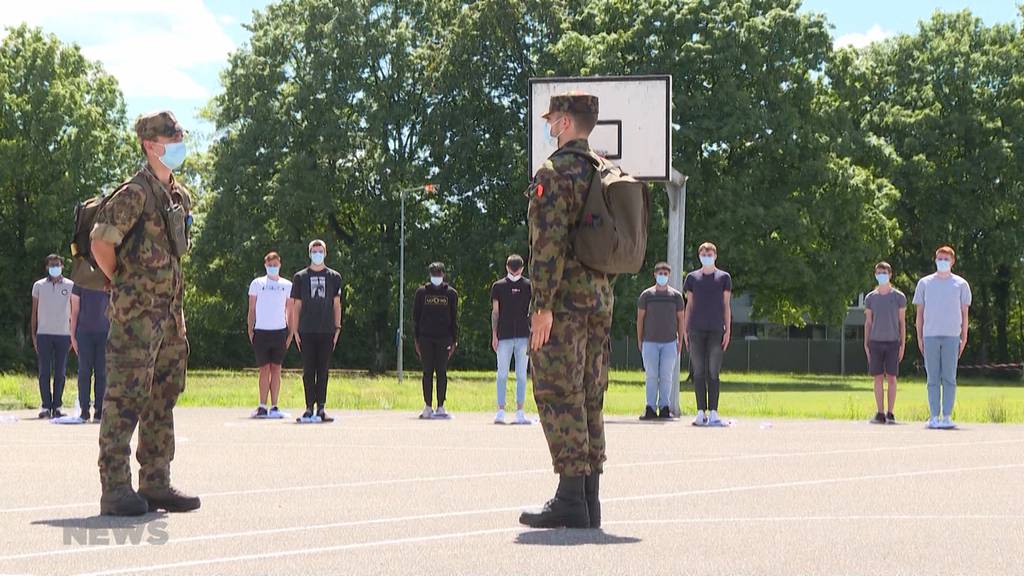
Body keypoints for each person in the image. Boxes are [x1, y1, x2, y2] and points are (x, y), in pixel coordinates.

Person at [90, 110, 198, 515]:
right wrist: (123, 281)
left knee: (162, 397)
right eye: (172, 140)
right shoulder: (134, 193)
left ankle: (156, 481)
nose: (179, 146)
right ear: (152, 145)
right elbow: (102, 242)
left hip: (170, 318)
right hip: (136, 318)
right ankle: (115, 488)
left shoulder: (178, 195)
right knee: (125, 397)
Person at [519, 92, 610, 530]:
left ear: (566, 123)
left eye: (553, 118)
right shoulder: (602, 170)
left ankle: (571, 497)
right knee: (590, 394)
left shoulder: (555, 173)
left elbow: (547, 244)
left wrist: (542, 306)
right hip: (599, 300)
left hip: (564, 303)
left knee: (558, 392)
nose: (549, 125)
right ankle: (590, 499)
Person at [913, 246, 971, 429]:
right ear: (935, 259)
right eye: (940, 258)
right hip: (930, 335)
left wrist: (964, 337)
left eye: (946, 259)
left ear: (953, 261)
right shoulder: (924, 283)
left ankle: (946, 416)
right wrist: (919, 336)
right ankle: (933, 416)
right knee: (932, 378)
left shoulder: (961, 284)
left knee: (949, 378)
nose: (942, 261)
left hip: (952, 336)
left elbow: (965, 313)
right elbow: (919, 313)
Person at [290, 240, 343, 423]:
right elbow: (296, 305)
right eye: (314, 251)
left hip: (327, 330)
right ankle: (308, 408)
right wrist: (294, 330)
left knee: (323, 370)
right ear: (310, 253)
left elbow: (337, 304)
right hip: (306, 330)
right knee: (308, 370)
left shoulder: (334, 277)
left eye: (320, 251)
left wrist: (337, 328)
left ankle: (321, 408)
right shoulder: (300, 277)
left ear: (325, 253)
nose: (317, 253)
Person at [684, 242, 732, 426]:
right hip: (696, 329)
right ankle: (700, 412)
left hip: (716, 329)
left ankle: (713, 412)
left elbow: (726, 306)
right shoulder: (692, 278)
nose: (706, 255)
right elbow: (689, 306)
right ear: (699, 256)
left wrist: (728, 330)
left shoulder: (724, 278)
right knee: (698, 372)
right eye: (703, 252)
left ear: (715, 255)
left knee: (713, 371)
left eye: (710, 252)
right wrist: (685, 330)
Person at [637, 262, 685, 420]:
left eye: (665, 273)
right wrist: (640, 339)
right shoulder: (646, 295)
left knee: (666, 376)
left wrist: (680, 340)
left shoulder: (676, 296)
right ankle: (650, 407)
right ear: (654, 274)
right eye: (660, 273)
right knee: (651, 375)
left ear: (669, 275)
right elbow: (640, 319)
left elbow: (681, 319)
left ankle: (665, 407)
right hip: (649, 342)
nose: (662, 275)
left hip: (670, 342)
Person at [248, 252, 293, 418]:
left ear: (280, 264)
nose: (273, 267)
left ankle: (274, 406)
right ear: (265, 265)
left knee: (276, 369)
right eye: (269, 265)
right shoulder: (257, 283)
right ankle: (262, 405)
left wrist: (291, 332)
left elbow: (290, 310)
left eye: (275, 264)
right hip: (261, 331)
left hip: (279, 331)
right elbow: (252, 308)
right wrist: (250, 328)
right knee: (264, 369)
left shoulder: (287, 285)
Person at [413, 262, 458, 419]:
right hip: (425, 338)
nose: (436, 277)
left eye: (439, 274)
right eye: (434, 274)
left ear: (443, 275)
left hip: (444, 338)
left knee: (442, 372)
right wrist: (416, 340)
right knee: (427, 372)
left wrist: (454, 340)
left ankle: (440, 406)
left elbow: (454, 318)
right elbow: (416, 318)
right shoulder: (421, 293)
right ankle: (427, 406)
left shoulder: (451, 294)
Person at [863, 262, 906, 424]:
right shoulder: (870, 298)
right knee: (878, 378)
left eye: (884, 272)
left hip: (893, 342)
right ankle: (880, 412)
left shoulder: (898, 297)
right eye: (878, 272)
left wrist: (902, 344)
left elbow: (902, 322)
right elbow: (868, 322)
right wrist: (866, 343)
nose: (881, 275)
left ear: (890, 274)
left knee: (892, 378)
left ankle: (890, 412)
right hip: (875, 342)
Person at [491, 254, 532, 425]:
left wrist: (494, 333)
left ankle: (519, 410)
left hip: (522, 335)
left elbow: (495, 313)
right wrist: (495, 334)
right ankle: (502, 410)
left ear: (507, 266)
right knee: (504, 374)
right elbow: (496, 312)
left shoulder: (529, 286)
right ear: (522, 267)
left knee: (520, 374)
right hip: (506, 335)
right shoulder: (499, 287)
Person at [31, 254, 73, 419]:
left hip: (63, 334)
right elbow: (34, 313)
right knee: (44, 372)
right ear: (47, 267)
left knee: (60, 372)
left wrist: (72, 335)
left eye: (57, 264)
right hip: (43, 334)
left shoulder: (70, 285)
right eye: (51, 265)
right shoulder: (39, 286)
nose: (54, 267)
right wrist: (34, 336)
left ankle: (57, 406)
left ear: (62, 266)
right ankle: (45, 405)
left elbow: (74, 312)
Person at [71, 282, 110, 423]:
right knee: (84, 372)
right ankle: (84, 410)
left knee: (102, 373)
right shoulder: (79, 282)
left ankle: (100, 410)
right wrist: (72, 335)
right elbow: (74, 310)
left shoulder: (107, 276)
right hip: (84, 333)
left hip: (105, 332)